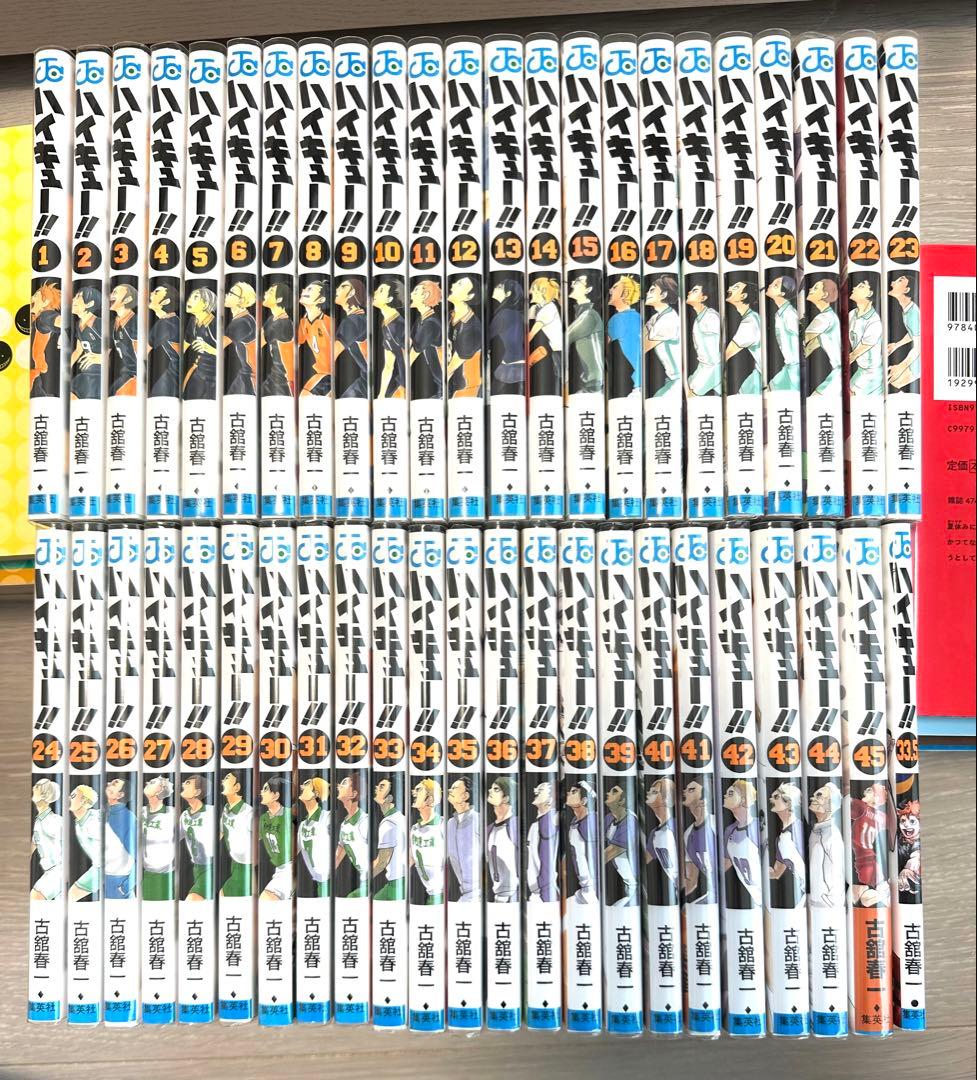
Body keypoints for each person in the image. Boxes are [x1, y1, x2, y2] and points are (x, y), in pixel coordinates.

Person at [721, 779, 762, 905]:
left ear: (743, 800)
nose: (725, 796)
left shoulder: (759, 826)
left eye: (731, 793)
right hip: (752, 896)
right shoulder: (729, 830)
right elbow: (726, 863)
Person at [807, 782, 845, 909]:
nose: (812, 798)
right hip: (815, 901)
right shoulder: (816, 831)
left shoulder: (832, 835)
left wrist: (831, 901)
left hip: (827, 905)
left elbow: (838, 870)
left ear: (830, 804)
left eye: (819, 796)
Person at [644, 275, 681, 397]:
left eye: (652, 290)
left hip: (677, 380)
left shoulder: (669, 320)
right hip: (670, 378)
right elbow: (640, 337)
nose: (647, 293)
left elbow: (641, 347)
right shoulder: (656, 317)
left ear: (663, 294)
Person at [768, 782, 806, 900]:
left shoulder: (798, 829)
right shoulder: (781, 838)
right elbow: (776, 873)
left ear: (788, 802)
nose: (771, 799)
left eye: (776, 797)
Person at [409, 778, 445, 905]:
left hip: (443, 895)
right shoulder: (414, 828)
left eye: (418, 790)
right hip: (430, 894)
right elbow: (411, 858)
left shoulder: (443, 825)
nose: (413, 792)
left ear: (430, 799)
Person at [803, 278, 841, 395]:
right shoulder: (830, 315)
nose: (810, 288)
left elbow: (803, 339)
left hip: (837, 373)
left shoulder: (824, 318)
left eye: (815, 288)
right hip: (837, 372)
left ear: (824, 295)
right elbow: (812, 345)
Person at [446, 275, 482, 398]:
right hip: (450, 382)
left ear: (469, 296)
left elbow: (451, 368)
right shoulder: (450, 315)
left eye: (460, 284)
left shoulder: (472, 327)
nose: (453, 285)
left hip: (464, 390)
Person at [603, 783, 639, 906]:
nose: (608, 793)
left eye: (614, 792)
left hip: (635, 888)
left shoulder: (630, 821)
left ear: (622, 801)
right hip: (625, 885)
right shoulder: (609, 818)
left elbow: (608, 854)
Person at [565, 274, 602, 394]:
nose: (571, 284)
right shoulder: (582, 313)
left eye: (576, 282)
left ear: (588, 290)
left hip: (594, 383)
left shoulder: (589, 315)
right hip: (590, 381)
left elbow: (565, 338)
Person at [219, 771, 254, 898]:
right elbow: (222, 832)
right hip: (234, 863)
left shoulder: (248, 813)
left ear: (237, 787)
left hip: (246, 868)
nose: (222, 781)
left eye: (227, 778)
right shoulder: (226, 809)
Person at [606, 275, 642, 398]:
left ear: (625, 294)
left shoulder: (618, 319)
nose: (610, 290)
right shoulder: (637, 316)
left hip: (637, 384)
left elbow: (599, 345)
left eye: (615, 287)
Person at [179, 775, 214, 901]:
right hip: (197, 868)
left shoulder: (211, 811)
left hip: (211, 867)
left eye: (188, 783)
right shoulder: (185, 815)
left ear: (197, 792)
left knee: (192, 900)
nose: (183, 784)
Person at [681, 780, 716, 904]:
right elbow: (691, 880)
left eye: (691, 789)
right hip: (711, 898)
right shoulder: (687, 834)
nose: (684, 791)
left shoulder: (715, 824)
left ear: (704, 799)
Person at [847, 276, 883, 396]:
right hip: (861, 369)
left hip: (872, 373)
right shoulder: (852, 314)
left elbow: (856, 352)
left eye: (861, 286)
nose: (854, 288)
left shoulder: (874, 321)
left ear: (870, 293)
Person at [488, 277, 526, 394]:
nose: (495, 288)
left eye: (499, 287)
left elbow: (486, 337)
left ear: (508, 293)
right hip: (514, 366)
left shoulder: (504, 314)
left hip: (511, 368)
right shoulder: (514, 313)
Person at [141, 777, 176, 901]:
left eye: (151, 782)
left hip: (164, 874)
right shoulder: (141, 812)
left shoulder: (172, 814)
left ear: (161, 789)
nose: (146, 782)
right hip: (146, 872)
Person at [724, 280, 762, 394]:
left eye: (735, 287)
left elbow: (727, 354)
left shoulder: (750, 322)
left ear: (743, 296)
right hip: (758, 373)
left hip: (762, 376)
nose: (729, 288)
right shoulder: (752, 317)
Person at [335, 773, 369, 897]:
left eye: (344, 783)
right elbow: (338, 855)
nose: (338, 786)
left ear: (353, 794)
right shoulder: (345, 824)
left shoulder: (365, 821)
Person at [446, 777, 479, 902]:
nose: (449, 790)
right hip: (462, 892)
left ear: (465, 796)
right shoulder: (450, 823)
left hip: (478, 893)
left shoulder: (478, 820)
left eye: (454, 788)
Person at [372, 777, 406, 901]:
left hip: (396, 885)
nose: (376, 788)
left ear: (390, 798)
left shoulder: (388, 823)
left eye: (382, 787)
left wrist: (362, 878)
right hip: (402, 880)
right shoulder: (401, 817)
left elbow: (382, 862)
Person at [333, 278, 368, 398]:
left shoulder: (352, 321)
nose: (337, 289)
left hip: (369, 383)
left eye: (343, 287)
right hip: (366, 380)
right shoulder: (359, 317)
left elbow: (331, 355)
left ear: (352, 293)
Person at [486, 778, 519, 903]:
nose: (490, 790)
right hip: (497, 897)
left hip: (514, 897)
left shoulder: (515, 825)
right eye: (491, 788)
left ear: (506, 798)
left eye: (496, 789)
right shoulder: (489, 829)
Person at [182, 287, 219, 400]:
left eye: (195, 297)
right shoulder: (192, 321)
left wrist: (209, 348)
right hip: (198, 372)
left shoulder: (215, 324)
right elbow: (185, 344)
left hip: (214, 376)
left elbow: (228, 353)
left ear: (205, 305)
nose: (189, 300)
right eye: (190, 296)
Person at [103, 777, 137, 899]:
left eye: (114, 783)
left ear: (120, 794)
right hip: (103, 879)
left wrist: (126, 887)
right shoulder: (103, 813)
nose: (108, 783)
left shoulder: (127, 817)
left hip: (119, 881)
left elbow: (137, 855)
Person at [527, 276, 561, 397]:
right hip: (551, 348)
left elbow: (532, 332)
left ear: (542, 292)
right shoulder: (537, 307)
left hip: (557, 351)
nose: (530, 292)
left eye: (533, 289)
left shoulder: (549, 308)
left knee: (557, 380)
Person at [297, 777, 331, 897]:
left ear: (315, 793)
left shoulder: (327, 817)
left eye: (306, 784)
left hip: (330, 882)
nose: (301, 786)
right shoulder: (303, 824)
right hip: (317, 881)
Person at [765, 275, 800, 392]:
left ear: (782, 293)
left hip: (794, 370)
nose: (770, 285)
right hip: (789, 367)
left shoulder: (789, 314)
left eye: (775, 285)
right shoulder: (780, 313)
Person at [565, 781, 598, 904]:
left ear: (584, 800)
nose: (568, 793)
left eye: (574, 792)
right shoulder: (574, 822)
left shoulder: (592, 820)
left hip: (593, 888)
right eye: (570, 791)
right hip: (584, 887)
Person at [525, 781, 559, 902]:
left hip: (546, 892)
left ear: (550, 800)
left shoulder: (553, 819)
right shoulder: (535, 825)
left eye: (541, 790)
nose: (536, 790)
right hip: (535, 893)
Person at [686, 282, 721, 395]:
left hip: (712, 368)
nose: (689, 292)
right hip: (703, 367)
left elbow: (716, 354)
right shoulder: (698, 319)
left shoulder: (711, 317)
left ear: (703, 298)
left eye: (695, 290)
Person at [298, 280, 332, 396]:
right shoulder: (303, 322)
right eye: (305, 288)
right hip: (320, 372)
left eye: (310, 289)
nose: (303, 291)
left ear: (321, 300)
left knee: (304, 396)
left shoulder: (329, 323)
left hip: (330, 374)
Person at [30, 779, 63, 900]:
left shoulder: (55, 820)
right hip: (50, 872)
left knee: (35, 899)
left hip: (57, 872)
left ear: (45, 794)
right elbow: (33, 846)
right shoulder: (39, 821)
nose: (33, 788)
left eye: (37, 787)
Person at [372, 281, 406, 399]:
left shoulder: (399, 325)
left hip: (408, 386)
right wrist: (381, 395)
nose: (375, 292)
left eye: (380, 291)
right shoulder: (386, 323)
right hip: (402, 383)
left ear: (389, 299)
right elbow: (388, 366)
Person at [260, 281, 295, 396]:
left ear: (279, 299)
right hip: (274, 376)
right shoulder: (272, 319)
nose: (265, 293)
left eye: (270, 292)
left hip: (283, 381)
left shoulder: (282, 323)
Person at [887, 274, 921, 389]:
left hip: (917, 361)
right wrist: (896, 345)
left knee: (893, 384)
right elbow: (914, 333)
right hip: (915, 358)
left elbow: (919, 345)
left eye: (900, 280)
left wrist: (901, 366)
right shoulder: (908, 309)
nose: (892, 282)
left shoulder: (912, 313)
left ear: (906, 290)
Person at [223, 282, 257, 395]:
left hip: (250, 376)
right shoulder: (245, 318)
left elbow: (218, 347)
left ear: (241, 300)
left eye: (231, 293)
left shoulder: (241, 322)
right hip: (246, 373)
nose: (226, 295)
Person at [147, 284, 182, 397]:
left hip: (174, 375)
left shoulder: (165, 324)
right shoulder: (174, 320)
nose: (151, 293)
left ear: (165, 302)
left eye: (156, 292)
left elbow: (141, 353)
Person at [30, 283, 63, 398]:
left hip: (38, 372)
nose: (32, 297)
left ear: (45, 303)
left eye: (36, 295)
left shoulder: (44, 316)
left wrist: (64, 334)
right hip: (38, 374)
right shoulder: (37, 318)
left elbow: (62, 322)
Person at [68, 784, 101, 901]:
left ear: (84, 801)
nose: (69, 798)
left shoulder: (95, 819)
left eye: (73, 796)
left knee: (71, 896)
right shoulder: (79, 822)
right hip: (99, 868)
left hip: (108, 869)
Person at [70, 285, 103, 400]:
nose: (73, 299)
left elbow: (115, 348)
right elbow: (78, 350)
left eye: (78, 297)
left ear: (89, 304)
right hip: (85, 373)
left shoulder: (99, 324)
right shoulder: (78, 324)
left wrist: (101, 358)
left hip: (98, 376)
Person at [108, 284, 138, 395]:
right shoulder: (114, 322)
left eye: (115, 292)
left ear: (127, 299)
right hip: (125, 372)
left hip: (135, 374)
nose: (110, 295)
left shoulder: (135, 322)